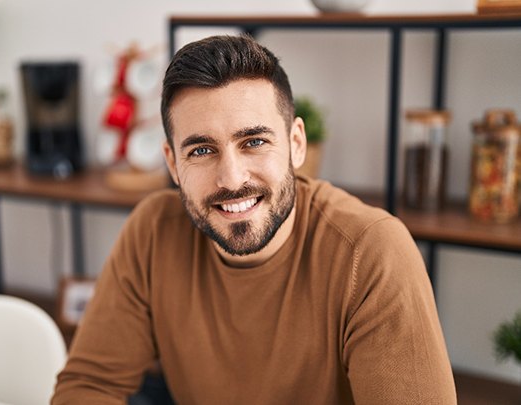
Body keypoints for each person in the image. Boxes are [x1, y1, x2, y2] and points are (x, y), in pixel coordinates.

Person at [52, 35, 457, 404]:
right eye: (201, 151)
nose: (231, 178)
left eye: (255, 142)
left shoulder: (371, 251)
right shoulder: (153, 230)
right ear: (173, 165)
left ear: (296, 145)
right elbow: (90, 386)